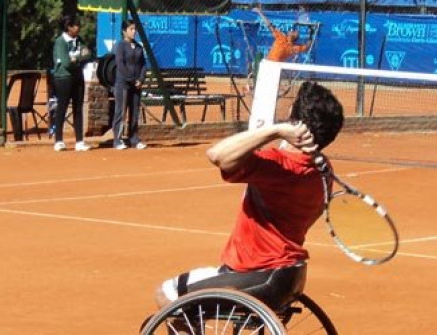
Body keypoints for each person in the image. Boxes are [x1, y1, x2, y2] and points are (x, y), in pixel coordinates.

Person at [153, 81, 343, 311]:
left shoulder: (279, 165)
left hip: (251, 272)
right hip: (289, 275)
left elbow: (217, 154)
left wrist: (274, 130)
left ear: (296, 125)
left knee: (166, 293)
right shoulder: (324, 170)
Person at [52, 15, 93, 152]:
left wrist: (77, 58)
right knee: (62, 107)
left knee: (78, 108)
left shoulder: (79, 40)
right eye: (75, 25)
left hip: (78, 78)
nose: (78, 27)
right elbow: (66, 63)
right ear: (68, 27)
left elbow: (88, 54)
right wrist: (78, 58)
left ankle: (80, 141)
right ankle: (58, 140)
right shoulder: (60, 42)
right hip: (63, 78)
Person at [111, 20, 147, 150]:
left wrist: (141, 79)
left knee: (135, 112)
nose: (134, 31)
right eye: (131, 29)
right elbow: (120, 65)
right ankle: (117, 139)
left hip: (136, 85)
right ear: (124, 31)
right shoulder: (120, 46)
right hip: (123, 84)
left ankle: (134, 139)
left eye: (135, 29)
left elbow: (143, 65)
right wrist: (132, 79)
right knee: (121, 112)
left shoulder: (138, 47)